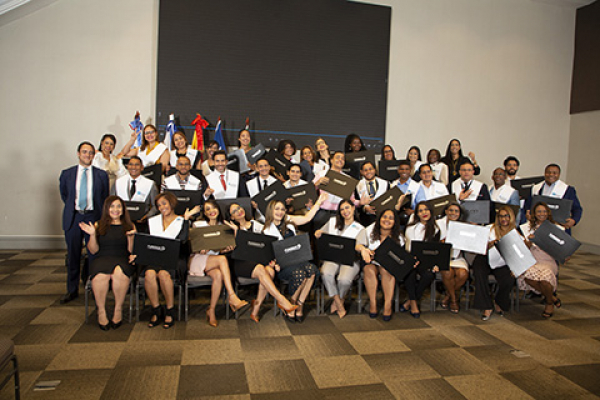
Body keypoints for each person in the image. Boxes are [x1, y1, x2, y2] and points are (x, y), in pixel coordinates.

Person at [262, 194, 328, 322]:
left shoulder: (289, 220)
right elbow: (267, 253)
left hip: (298, 259)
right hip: (283, 265)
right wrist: (273, 263)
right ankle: (291, 304)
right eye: (276, 209)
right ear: (270, 211)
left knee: (312, 270)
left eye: (282, 209)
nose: (280, 212)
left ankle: (299, 305)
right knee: (300, 274)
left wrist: (319, 202)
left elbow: (307, 218)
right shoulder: (266, 230)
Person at [228, 201, 298, 323]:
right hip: (240, 263)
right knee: (261, 270)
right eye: (234, 211)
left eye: (239, 208)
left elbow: (266, 245)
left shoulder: (257, 225)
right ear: (232, 217)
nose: (238, 211)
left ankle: (256, 306)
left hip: (257, 261)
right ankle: (282, 300)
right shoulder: (230, 229)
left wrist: (271, 260)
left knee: (269, 271)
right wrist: (235, 232)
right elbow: (232, 249)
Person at [59, 142, 109, 304]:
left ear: (94, 155)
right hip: (74, 217)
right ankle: (71, 290)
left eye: (90, 153)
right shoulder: (67, 174)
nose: (87, 155)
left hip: (93, 217)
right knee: (73, 255)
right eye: (84, 152)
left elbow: (104, 197)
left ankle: (95, 288)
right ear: (78, 154)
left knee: (94, 255)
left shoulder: (101, 175)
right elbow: (65, 196)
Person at [189, 200, 249, 327]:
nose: (211, 211)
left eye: (213, 208)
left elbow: (225, 247)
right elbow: (192, 244)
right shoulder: (198, 224)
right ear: (204, 213)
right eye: (208, 209)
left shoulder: (223, 225)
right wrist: (200, 248)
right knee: (222, 260)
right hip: (198, 259)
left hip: (213, 261)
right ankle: (232, 296)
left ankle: (211, 310)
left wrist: (226, 248)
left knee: (218, 275)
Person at [79, 196, 136, 330]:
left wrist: (131, 238)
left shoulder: (130, 225)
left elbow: (131, 250)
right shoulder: (99, 225)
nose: (115, 210)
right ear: (107, 209)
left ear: (123, 209)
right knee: (101, 276)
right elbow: (93, 250)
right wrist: (92, 235)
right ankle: (101, 311)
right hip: (102, 258)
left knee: (119, 274)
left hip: (122, 258)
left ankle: (118, 309)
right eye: (112, 206)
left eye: (118, 206)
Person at [143, 192, 198, 329]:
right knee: (149, 274)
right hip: (156, 257)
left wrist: (186, 220)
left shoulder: (181, 220)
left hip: (175, 258)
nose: (162, 207)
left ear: (171, 204)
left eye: (164, 203)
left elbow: (183, 239)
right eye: (159, 205)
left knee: (163, 275)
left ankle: (169, 309)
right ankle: (156, 309)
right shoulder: (153, 221)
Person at [315, 200, 366, 318]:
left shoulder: (360, 228)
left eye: (347, 208)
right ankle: (338, 301)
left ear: (353, 208)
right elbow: (322, 233)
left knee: (344, 280)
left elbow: (359, 245)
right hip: (332, 258)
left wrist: (361, 248)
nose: (345, 211)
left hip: (350, 259)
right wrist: (318, 233)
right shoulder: (333, 222)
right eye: (342, 209)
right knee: (326, 273)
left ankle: (339, 299)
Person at [472, 206, 517, 320]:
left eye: (506, 216)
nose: (504, 219)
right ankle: (486, 306)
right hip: (485, 257)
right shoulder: (489, 228)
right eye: (501, 216)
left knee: (509, 279)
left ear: (511, 217)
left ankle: (499, 301)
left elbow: (518, 253)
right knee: (479, 273)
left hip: (502, 261)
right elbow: (478, 246)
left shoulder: (516, 232)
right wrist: (490, 244)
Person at [360, 209, 405, 321]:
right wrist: (365, 250)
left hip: (388, 265)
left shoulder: (399, 237)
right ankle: (373, 303)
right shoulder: (368, 231)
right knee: (368, 270)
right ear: (379, 219)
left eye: (391, 218)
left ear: (395, 221)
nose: (387, 220)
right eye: (384, 217)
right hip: (371, 262)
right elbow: (358, 244)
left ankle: (387, 305)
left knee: (387, 270)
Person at [401, 201, 443, 317]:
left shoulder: (435, 229)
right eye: (420, 210)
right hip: (411, 259)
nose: (424, 213)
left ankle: (410, 301)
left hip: (426, 261)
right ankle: (414, 304)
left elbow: (435, 250)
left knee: (429, 275)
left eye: (426, 210)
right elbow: (408, 248)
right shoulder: (410, 228)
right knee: (410, 274)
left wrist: (434, 263)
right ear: (417, 214)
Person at [520, 202, 561, 318]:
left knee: (544, 280)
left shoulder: (556, 228)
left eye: (544, 211)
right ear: (534, 214)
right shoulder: (527, 228)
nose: (542, 214)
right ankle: (552, 298)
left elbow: (561, 248)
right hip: (532, 260)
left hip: (548, 260)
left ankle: (549, 303)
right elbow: (524, 249)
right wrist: (529, 241)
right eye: (539, 211)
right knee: (527, 277)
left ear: (548, 213)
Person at [524, 163, 582, 234]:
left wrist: (574, 220)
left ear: (559, 174)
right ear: (545, 173)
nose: (551, 175)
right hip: (538, 227)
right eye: (548, 172)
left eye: (554, 173)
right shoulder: (536, 188)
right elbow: (528, 205)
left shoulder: (567, 190)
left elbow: (577, 209)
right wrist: (528, 212)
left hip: (558, 227)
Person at [438, 202, 469, 313]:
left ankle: (447, 296)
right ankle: (454, 300)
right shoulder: (438, 224)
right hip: (442, 257)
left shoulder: (463, 226)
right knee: (448, 272)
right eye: (451, 210)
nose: (453, 213)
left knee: (462, 274)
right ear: (446, 211)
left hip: (457, 257)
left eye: (456, 211)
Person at [111, 156, 158, 229]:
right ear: (127, 166)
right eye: (131, 164)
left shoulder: (150, 184)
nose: (134, 167)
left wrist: (146, 217)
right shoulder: (118, 182)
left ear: (142, 167)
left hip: (141, 224)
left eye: (137, 165)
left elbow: (156, 205)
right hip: (120, 222)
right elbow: (110, 202)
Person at [355, 161, 389, 226]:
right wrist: (364, 208)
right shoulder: (357, 186)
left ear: (375, 170)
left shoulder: (385, 184)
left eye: (370, 169)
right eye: (365, 170)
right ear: (361, 172)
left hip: (383, 218)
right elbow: (356, 204)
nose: (368, 172)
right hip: (366, 220)